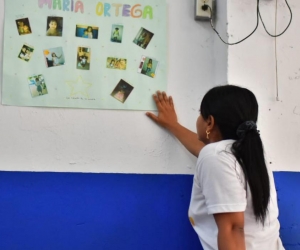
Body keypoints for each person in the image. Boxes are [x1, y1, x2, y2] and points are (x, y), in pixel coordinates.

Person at [146, 86, 284, 250]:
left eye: (200, 113)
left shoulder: (216, 155)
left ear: (209, 122)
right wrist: (173, 125)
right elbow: (206, 151)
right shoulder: (247, 152)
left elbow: (232, 229)